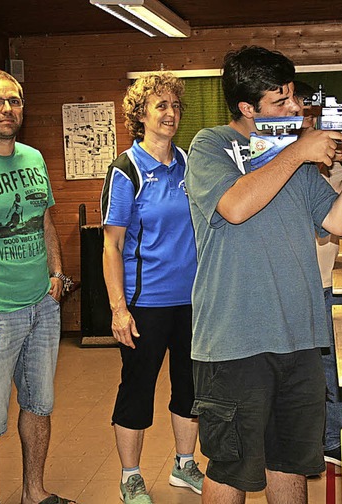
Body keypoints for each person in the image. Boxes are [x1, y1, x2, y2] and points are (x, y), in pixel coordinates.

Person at [184, 45, 342, 504]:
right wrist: (299, 151)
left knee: (292, 463)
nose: (296, 108)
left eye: (295, 96)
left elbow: (338, 222)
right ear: (247, 108)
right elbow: (234, 207)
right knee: (232, 467)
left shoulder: (293, 154)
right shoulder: (211, 145)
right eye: (281, 101)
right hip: (234, 338)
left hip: (301, 336)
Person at [0, 70, 76, 504]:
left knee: (39, 406)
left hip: (41, 308)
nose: (7, 109)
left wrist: (57, 274)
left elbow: (44, 219)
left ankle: (34, 494)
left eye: (14, 101)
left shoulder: (33, 158)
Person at [101, 73, 204, 504]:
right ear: (140, 114)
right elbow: (112, 244)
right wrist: (118, 309)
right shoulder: (127, 169)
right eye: (160, 106)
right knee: (138, 388)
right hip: (145, 303)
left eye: (175, 106)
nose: (170, 114)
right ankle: (130, 475)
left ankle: (184, 465)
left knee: (191, 387)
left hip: (193, 301)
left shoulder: (189, 162)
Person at [293, 80, 342, 466]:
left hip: (325, 283)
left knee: (332, 370)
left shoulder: (335, 172)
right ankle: (300, 442)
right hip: (294, 285)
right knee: (297, 373)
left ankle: (332, 440)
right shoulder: (280, 163)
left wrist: (324, 161)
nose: (305, 123)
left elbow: (331, 220)